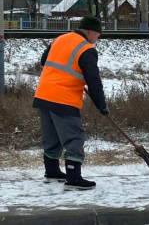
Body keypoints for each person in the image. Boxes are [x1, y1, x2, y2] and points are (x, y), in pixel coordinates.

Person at [33, 15, 110, 190]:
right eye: (97, 35)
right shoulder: (86, 49)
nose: (96, 40)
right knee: (75, 136)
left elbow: (44, 61)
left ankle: (52, 172)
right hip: (63, 98)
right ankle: (73, 178)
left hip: (44, 95)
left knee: (52, 136)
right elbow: (94, 80)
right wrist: (101, 105)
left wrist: (70, 73)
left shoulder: (61, 39)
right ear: (90, 31)